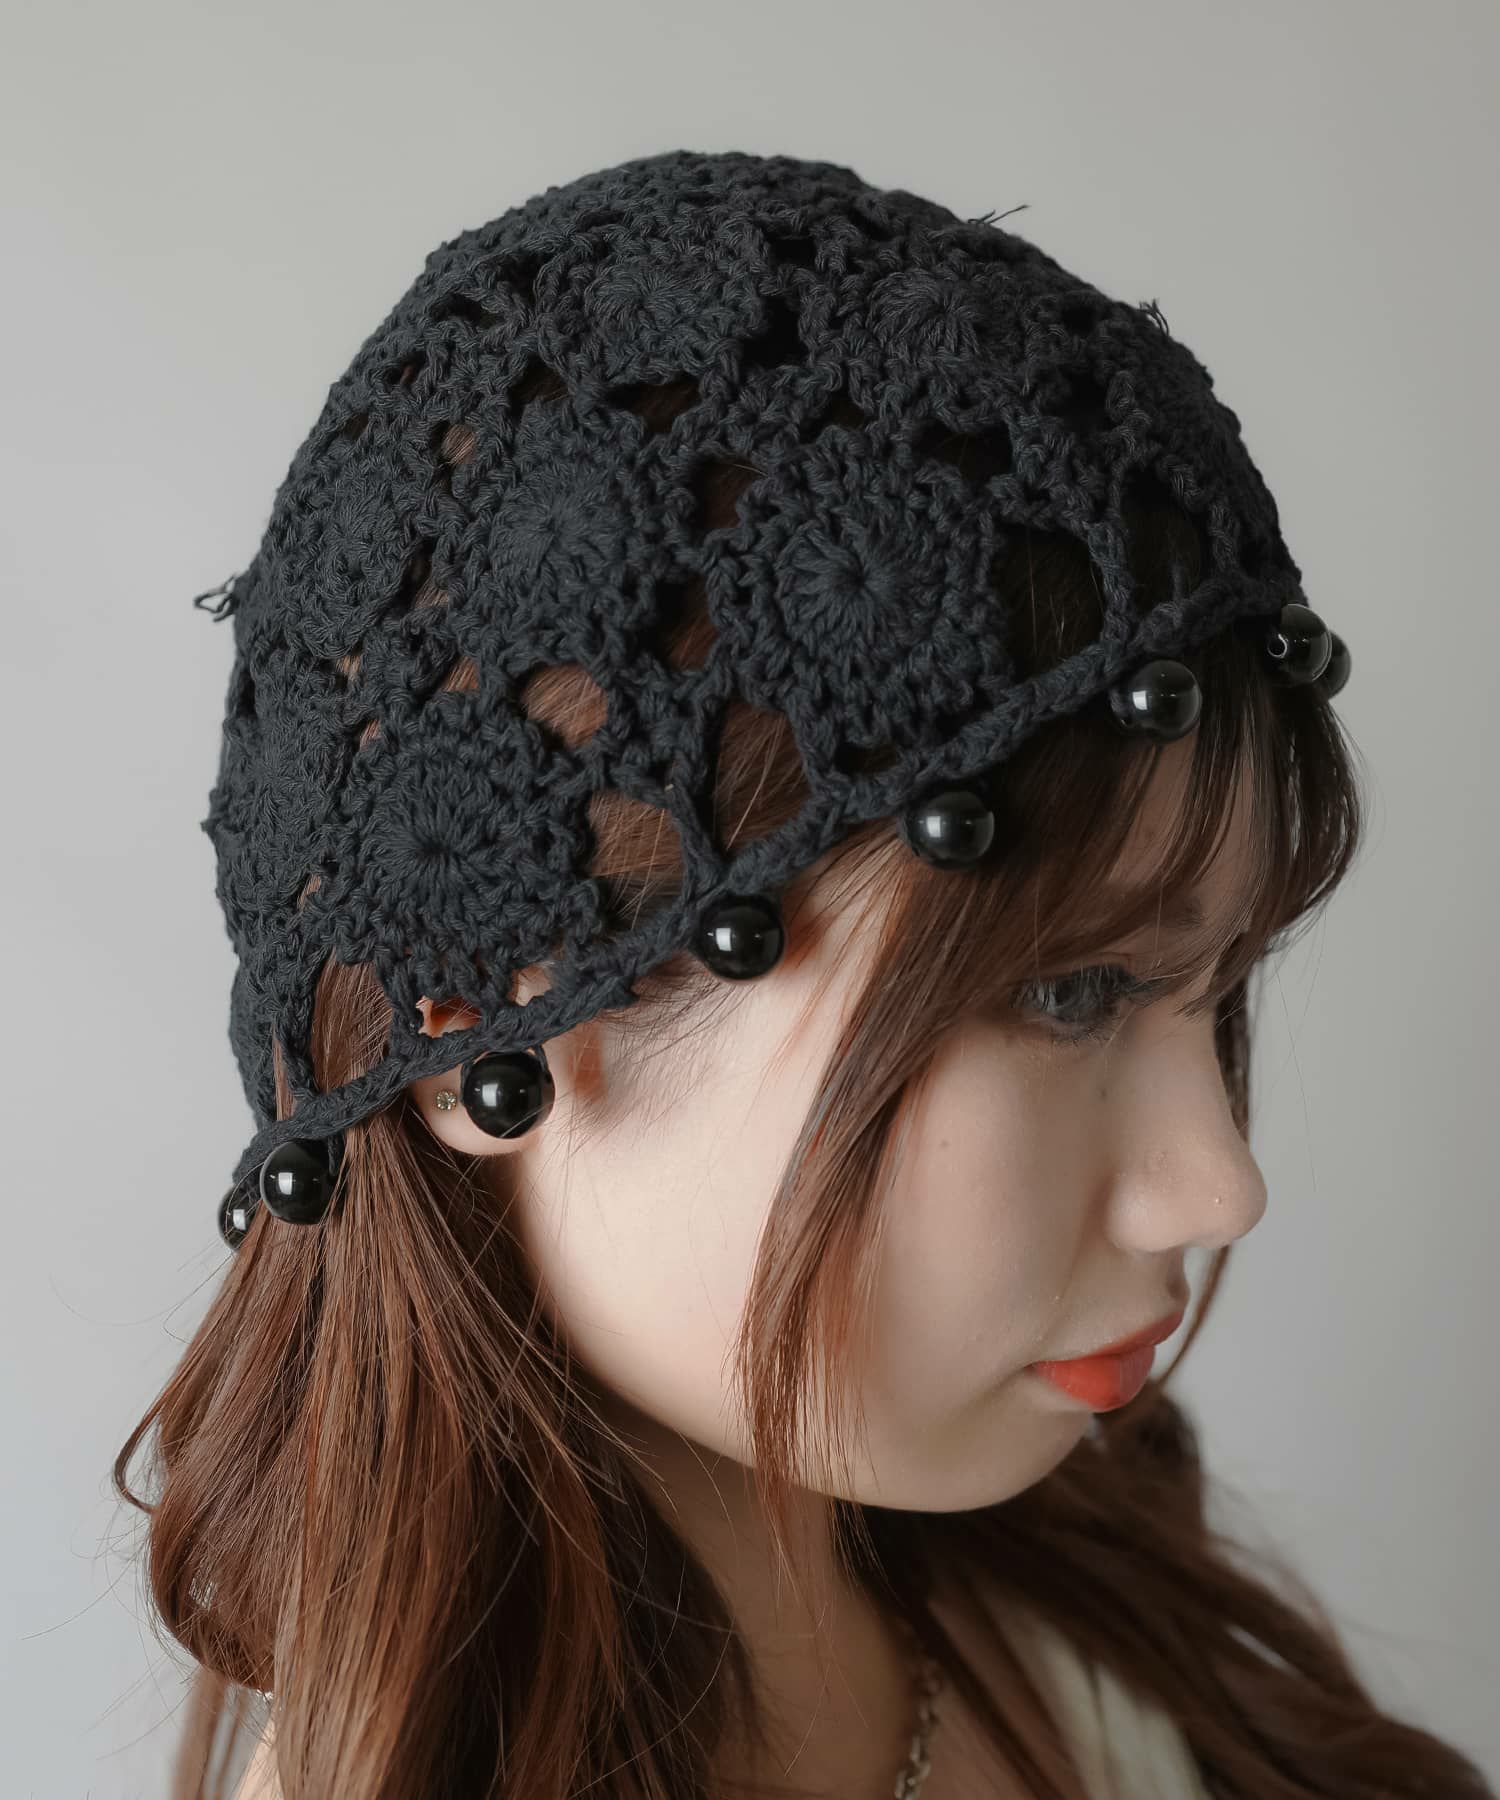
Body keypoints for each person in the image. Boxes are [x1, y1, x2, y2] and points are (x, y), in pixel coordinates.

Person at [114, 148, 1493, 1799]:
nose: (1220, 1185)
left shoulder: (1080, 1613)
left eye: (1219, 985)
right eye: (1073, 995)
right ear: (475, 1014)